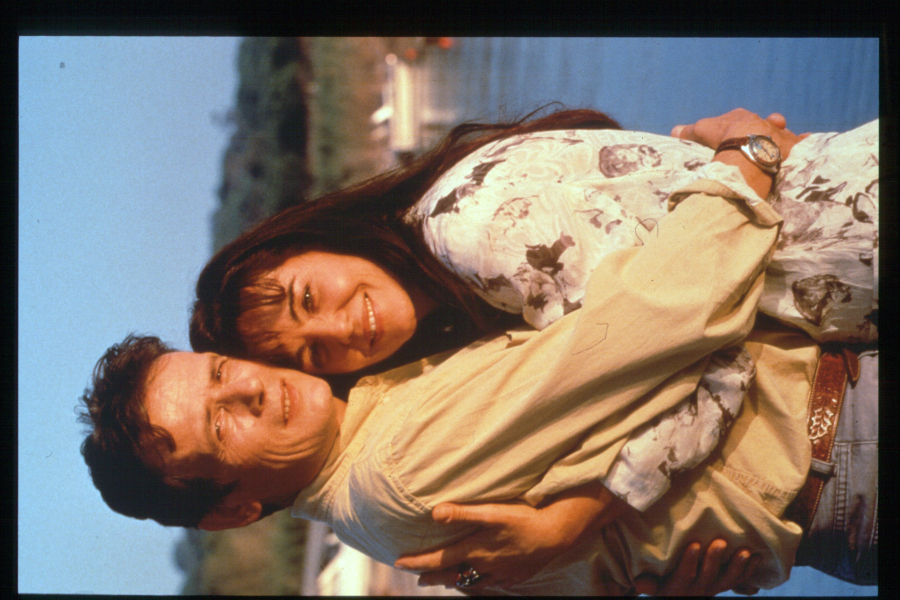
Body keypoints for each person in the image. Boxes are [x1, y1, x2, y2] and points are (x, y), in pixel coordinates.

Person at [79, 163, 876, 592]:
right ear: (231, 511)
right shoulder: (395, 467)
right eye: (219, 426)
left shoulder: (370, 484)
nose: (249, 390)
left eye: (222, 373)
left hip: (828, 478)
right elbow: (656, 321)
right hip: (842, 445)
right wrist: (744, 164)